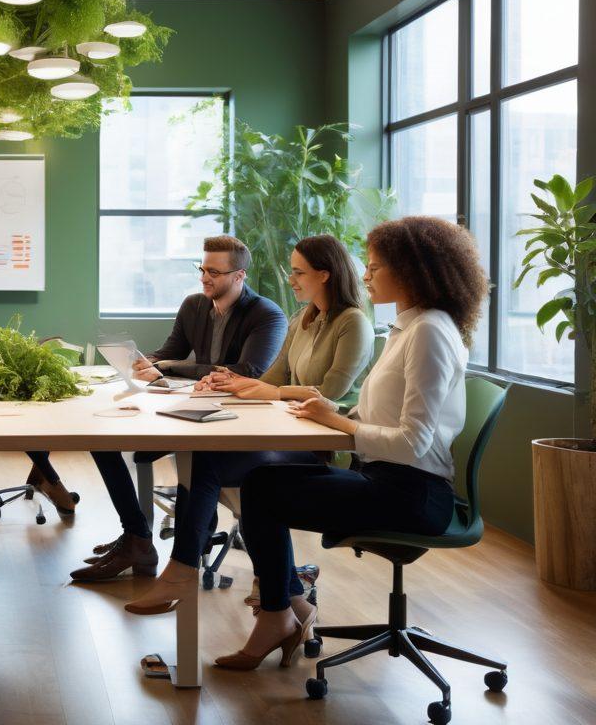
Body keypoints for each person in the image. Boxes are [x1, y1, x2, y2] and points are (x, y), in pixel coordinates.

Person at [215, 216, 485, 671]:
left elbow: (413, 444)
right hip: (386, 477)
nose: (365, 275)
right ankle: (286, 607)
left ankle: (280, 613)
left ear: (412, 271)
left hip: (412, 494)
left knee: (262, 487)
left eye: (376, 267)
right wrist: (332, 414)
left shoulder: (429, 333)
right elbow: (386, 417)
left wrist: (340, 423)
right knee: (262, 480)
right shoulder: (408, 328)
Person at [123, 235, 374, 617]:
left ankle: (187, 570)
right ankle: (190, 569)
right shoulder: (303, 319)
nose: (290, 279)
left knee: (209, 463)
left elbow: (327, 393)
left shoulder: (353, 323)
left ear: (325, 275)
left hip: (324, 440)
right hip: (288, 428)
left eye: (298, 272)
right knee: (202, 457)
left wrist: (268, 391)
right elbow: (271, 378)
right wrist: (232, 383)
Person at [71, 235, 287, 581]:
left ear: (239, 276)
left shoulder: (266, 315)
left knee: (193, 460)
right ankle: (137, 537)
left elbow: (246, 373)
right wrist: (147, 362)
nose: (205, 277)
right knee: (102, 440)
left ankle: (177, 558)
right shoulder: (193, 306)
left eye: (214, 272)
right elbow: (168, 350)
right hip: (190, 409)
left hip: (235, 419)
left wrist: (169, 367)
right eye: (202, 268)